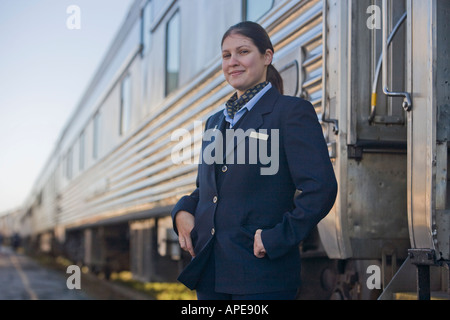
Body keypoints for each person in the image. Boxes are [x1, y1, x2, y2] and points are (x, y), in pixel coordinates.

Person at [171, 21, 337, 300]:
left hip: (262, 276)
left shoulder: (290, 113)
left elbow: (320, 188)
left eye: (243, 52)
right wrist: (182, 211)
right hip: (212, 275)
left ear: (267, 57)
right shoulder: (215, 122)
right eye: (226, 55)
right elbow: (207, 190)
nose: (233, 62)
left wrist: (277, 238)